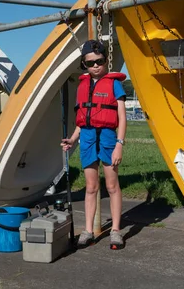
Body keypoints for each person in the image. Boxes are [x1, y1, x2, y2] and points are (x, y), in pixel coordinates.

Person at [61, 40, 127, 250]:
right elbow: (82, 120)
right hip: (87, 137)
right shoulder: (82, 86)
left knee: (112, 186)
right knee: (91, 187)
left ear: (106, 61)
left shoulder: (114, 84)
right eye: (90, 63)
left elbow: (122, 118)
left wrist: (119, 144)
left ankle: (115, 230)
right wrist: (72, 139)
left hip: (108, 137)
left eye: (99, 61)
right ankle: (88, 230)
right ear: (84, 64)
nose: (95, 66)